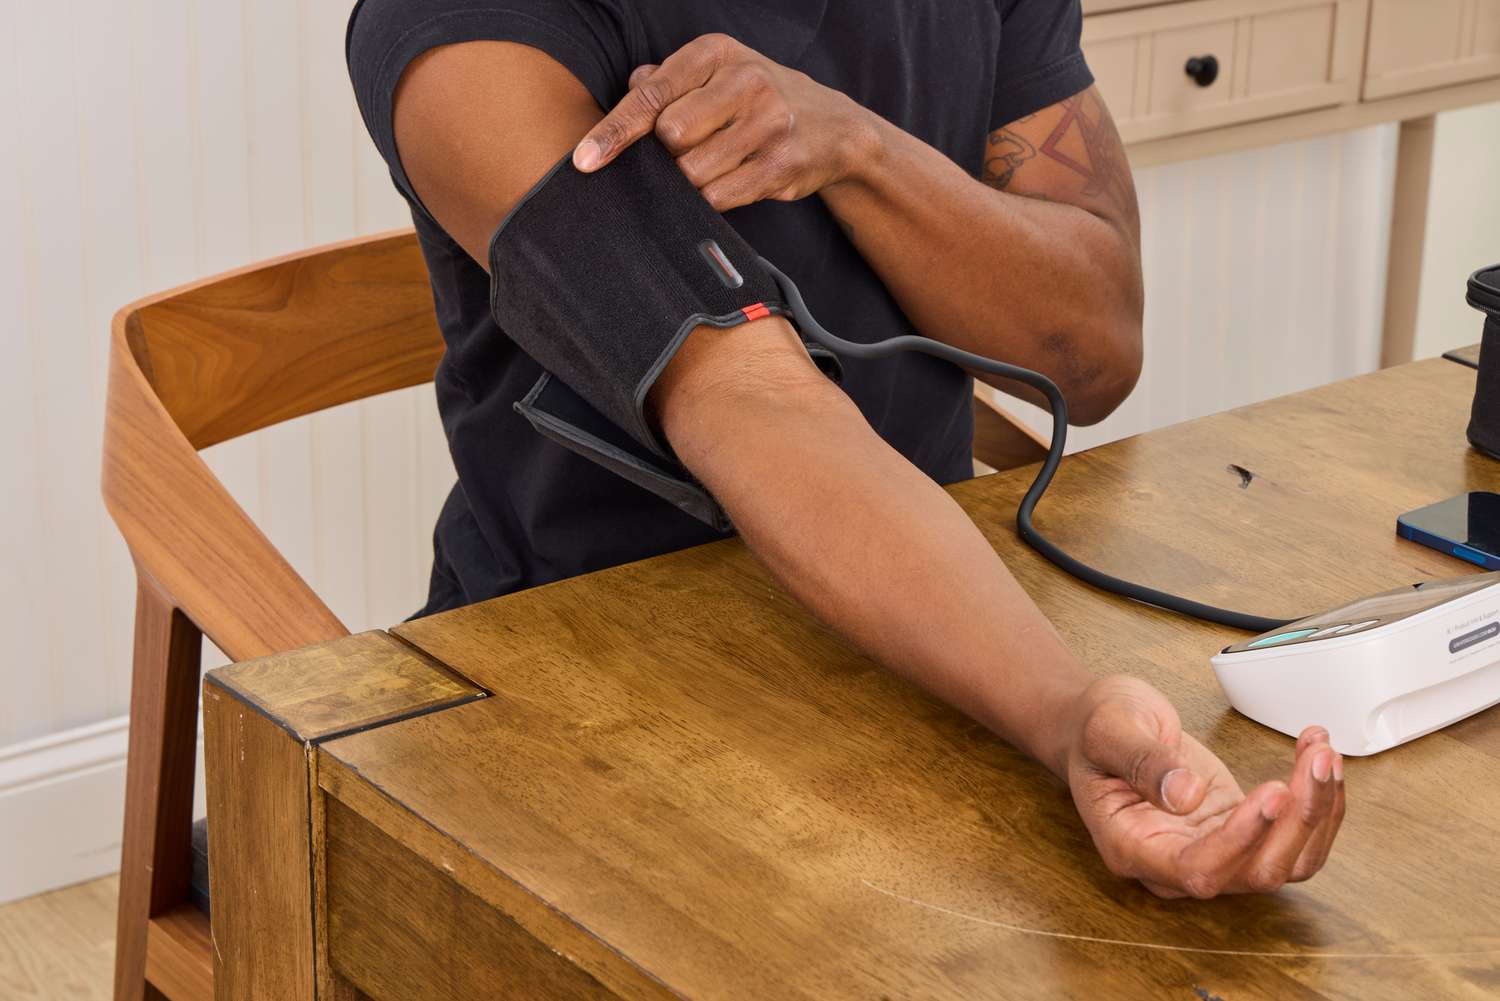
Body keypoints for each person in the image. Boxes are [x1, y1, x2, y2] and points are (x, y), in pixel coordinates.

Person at [346, 0, 1344, 899]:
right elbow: (745, 396)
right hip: (574, 698)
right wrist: (1063, 709)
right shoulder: (464, 26)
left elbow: (1092, 348)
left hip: (930, 664)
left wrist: (861, 148)